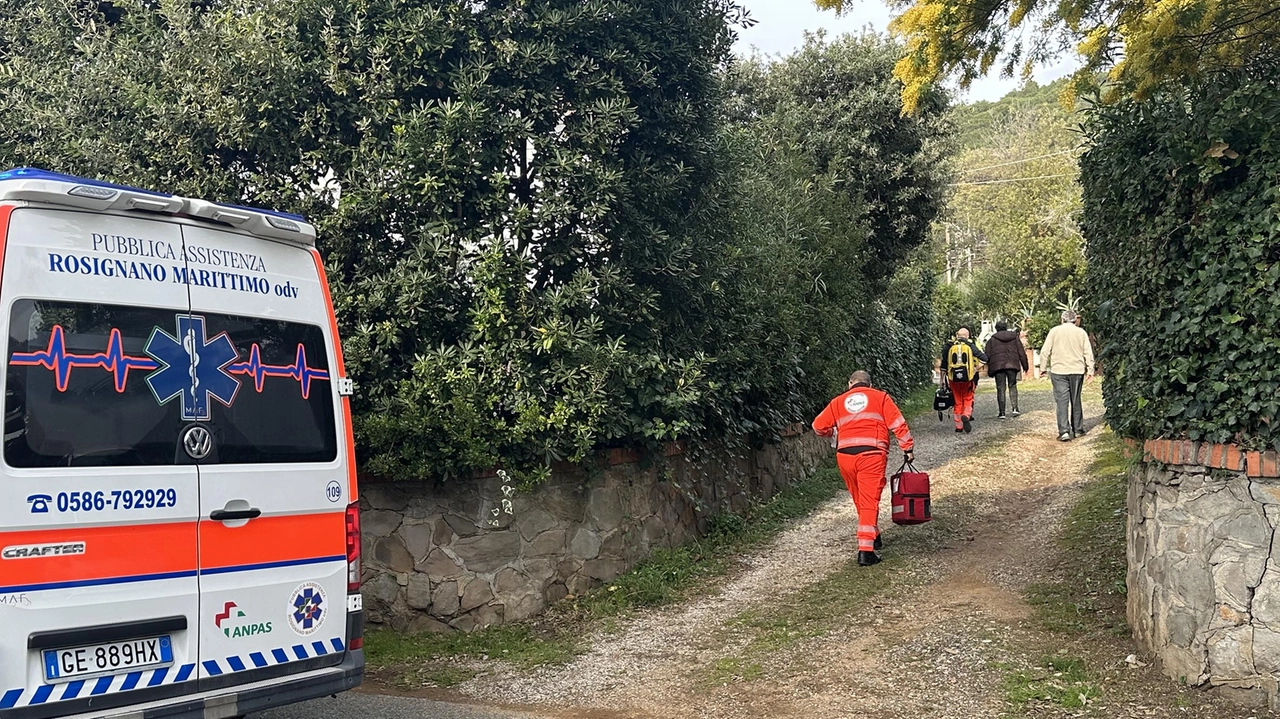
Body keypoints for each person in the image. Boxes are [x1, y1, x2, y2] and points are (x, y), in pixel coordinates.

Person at [812, 370, 915, 567]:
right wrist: (907, 448)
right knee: (869, 501)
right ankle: (866, 551)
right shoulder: (880, 397)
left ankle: (873, 534)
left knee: (860, 498)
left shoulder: (838, 402)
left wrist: (834, 433)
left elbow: (817, 426)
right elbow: (898, 424)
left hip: (845, 457)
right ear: (869, 384)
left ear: (850, 383)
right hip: (871, 454)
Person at [1038, 310, 1096, 441]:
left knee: (1062, 401)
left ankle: (1064, 431)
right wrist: (1090, 370)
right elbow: (1088, 352)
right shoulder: (1081, 332)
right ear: (1075, 320)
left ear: (1062, 319)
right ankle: (1078, 430)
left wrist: (1042, 368)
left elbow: (1045, 351)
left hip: (1059, 370)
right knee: (1076, 399)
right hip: (1077, 370)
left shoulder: (1054, 331)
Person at [941, 328, 987, 433]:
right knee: (968, 398)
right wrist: (975, 369)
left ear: (957, 335)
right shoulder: (970, 346)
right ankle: (966, 415)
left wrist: (942, 380)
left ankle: (958, 427)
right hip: (967, 379)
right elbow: (984, 358)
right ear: (967, 336)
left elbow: (944, 365)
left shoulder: (949, 347)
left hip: (953, 379)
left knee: (957, 401)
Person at [984, 321, 1029, 419]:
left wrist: (989, 368)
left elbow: (987, 355)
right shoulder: (1015, 338)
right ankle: (1015, 409)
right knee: (1012, 386)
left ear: (996, 328)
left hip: (998, 367)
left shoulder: (992, 340)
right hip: (1012, 365)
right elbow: (1021, 352)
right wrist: (1025, 366)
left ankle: (1002, 413)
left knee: (1001, 388)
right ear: (1006, 328)